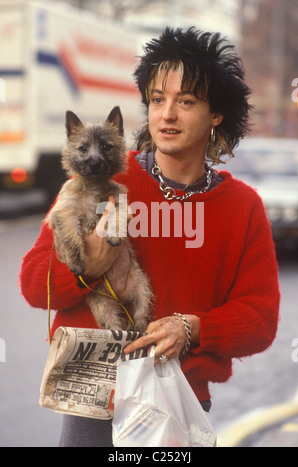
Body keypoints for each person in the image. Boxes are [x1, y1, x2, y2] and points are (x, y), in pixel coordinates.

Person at [20, 27, 280, 447]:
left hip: (177, 401)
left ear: (216, 115)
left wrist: (191, 328)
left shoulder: (242, 206)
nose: (167, 114)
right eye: (158, 100)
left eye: (186, 101)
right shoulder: (103, 174)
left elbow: (261, 320)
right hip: (93, 399)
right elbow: (34, 285)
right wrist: (89, 265)